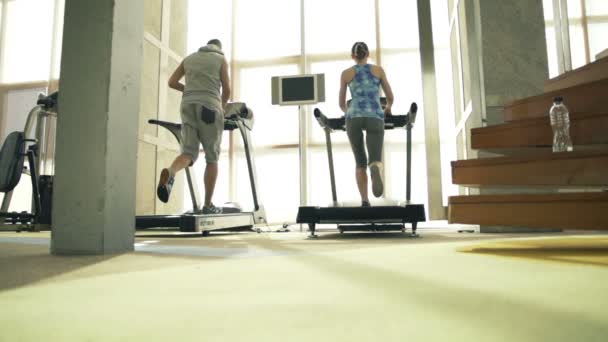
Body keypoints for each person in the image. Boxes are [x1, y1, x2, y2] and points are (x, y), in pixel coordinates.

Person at [156, 39, 231, 214]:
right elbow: (227, 90)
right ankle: (207, 205)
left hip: (187, 105)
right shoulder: (220, 59)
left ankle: (171, 171)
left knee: (188, 153)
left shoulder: (189, 58)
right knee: (212, 158)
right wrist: (222, 107)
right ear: (219, 48)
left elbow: (172, 82)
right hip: (210, 107)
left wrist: (190, 91)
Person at [338, 41, 394, 207]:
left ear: (353, 56)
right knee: (374, 157)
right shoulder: (378, 70)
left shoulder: (346, 73)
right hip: (375, 115)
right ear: (368, 54)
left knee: (359, 161)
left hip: (354, 116)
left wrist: (347, 112)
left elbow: (341, 103)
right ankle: (375, 166)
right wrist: (388, 108)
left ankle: (364, 200)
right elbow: (390, 96)